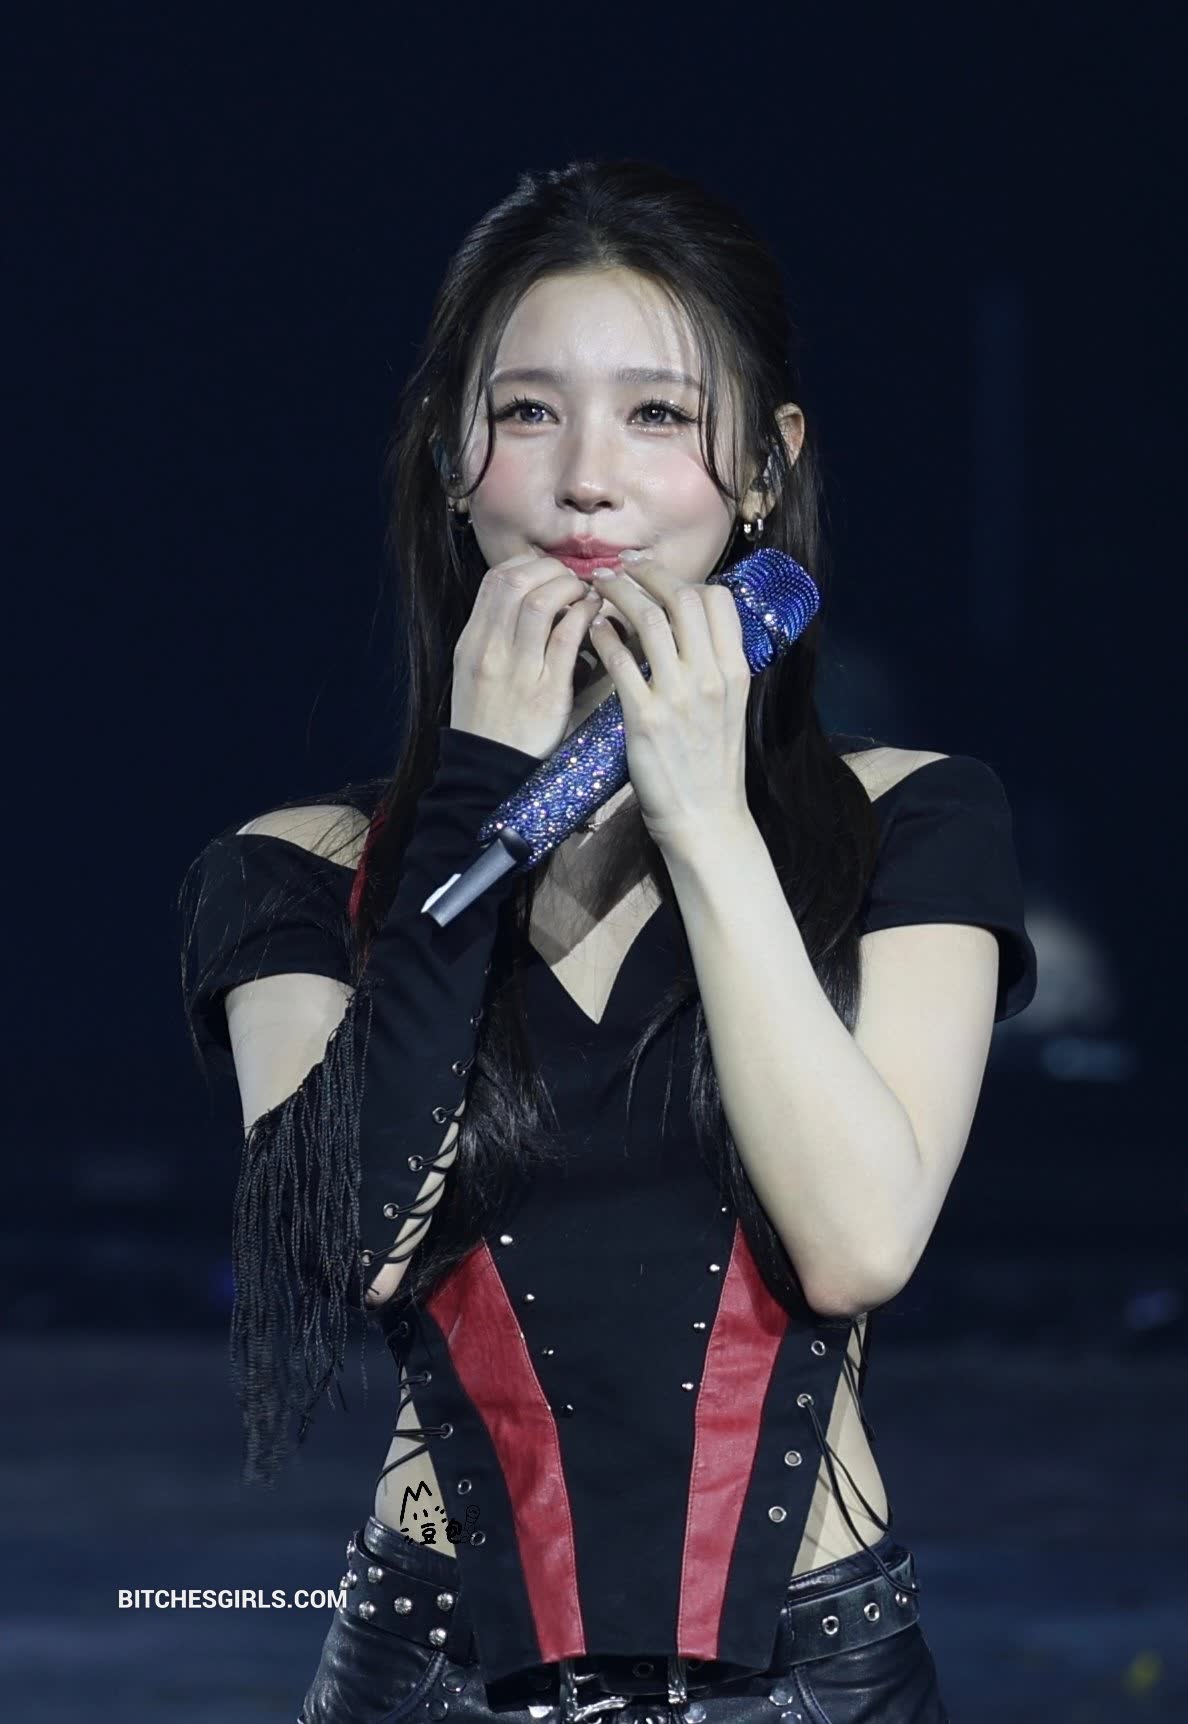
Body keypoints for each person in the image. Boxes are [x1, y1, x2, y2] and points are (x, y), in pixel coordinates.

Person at [180, 158, 1037, 1724]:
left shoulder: (911, 821)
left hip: (810, 1675)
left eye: (658, 415)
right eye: (528, 413)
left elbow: (858, 1242)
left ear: (764, 470)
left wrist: (705, 816)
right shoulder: (300, 870)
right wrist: (475, 806)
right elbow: (348, 1251)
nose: (589, 480)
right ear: (453, 460)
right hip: (430, 1672)